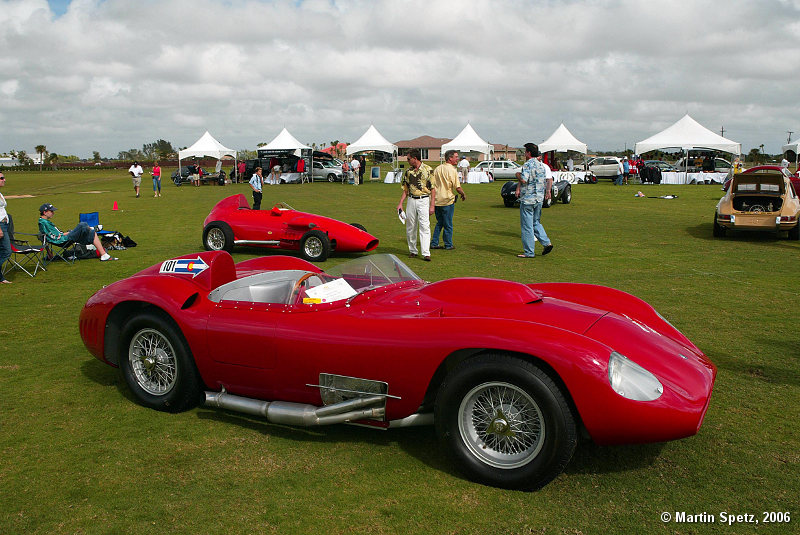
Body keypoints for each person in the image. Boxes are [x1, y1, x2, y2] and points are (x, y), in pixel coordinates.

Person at [38, 203, 117, 261]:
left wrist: (68, 233)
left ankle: (104, 255)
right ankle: (92, 228)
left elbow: (54, 235)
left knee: (92, 233)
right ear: (45, 212)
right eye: (51, 211)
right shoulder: (43, 223)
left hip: (64, 237)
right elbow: (48, 237)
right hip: (63, 240)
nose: (53, 213)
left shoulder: (45, 222)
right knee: (82, 225)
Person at [515, 143, 553, 258]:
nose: (525, 154)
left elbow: (524, 180)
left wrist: (517, 175)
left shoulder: (527, 165)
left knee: (527, 226)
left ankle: (529, 252)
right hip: (539, 199)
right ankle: (546, 242)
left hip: (528, 199)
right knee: (536, 222)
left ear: (529, 153)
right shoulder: (542, 166)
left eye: (526, 152)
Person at [396, 149, 435, 261]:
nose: (407, 160)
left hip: (424, 199)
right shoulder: (408, 172)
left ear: (415, 158)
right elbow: (405, 189)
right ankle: (412, 250)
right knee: (410, 226)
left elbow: (433, 189)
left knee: (424, 225)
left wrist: (432, 206)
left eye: (409, 158)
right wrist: (400, 204)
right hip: (411, 200)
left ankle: (426, 253)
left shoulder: (428, 170)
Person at [430, 150, 466, 251]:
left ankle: (434, 242)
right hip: (447, 200)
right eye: (456, 156)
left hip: (436, 200)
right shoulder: (452, 170)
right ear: (450, 158)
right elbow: (457, 187)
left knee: (439, 222)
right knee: (448, 224)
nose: (457, 159)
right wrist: (463, 194)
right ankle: (448, 244)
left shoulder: (437, 168)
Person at [0, 173, 11, 283]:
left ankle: (0, 278)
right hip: (0, 225)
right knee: (7, 251)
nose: (4, 180)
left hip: (4, 224)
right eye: (1, 178)